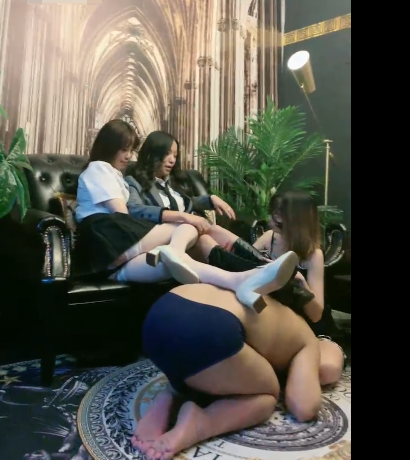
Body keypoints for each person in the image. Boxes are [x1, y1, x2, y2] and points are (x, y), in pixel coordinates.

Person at [75, 120, 297, 313]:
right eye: (124, 149)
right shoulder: (100, 168)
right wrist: (184, 219)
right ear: (109, 147)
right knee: (189, 224)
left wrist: (206, 200)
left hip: (116, 266)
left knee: (178, 263)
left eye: (131, 150)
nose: (128, 156)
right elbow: (121, 213)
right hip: (108, 242)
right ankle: (257, 264)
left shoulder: (119, 176)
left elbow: (185, 201)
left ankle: (239, 282)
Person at [132, 282, 321, 460]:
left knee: (208, 365)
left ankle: (171, 393)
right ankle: (203, 421)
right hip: (208, 330)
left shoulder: (261, 296)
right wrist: (316, 351)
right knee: (268, 396)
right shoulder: (307, 337)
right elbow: (304, 408)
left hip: (161, 311)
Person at [124, 131, 271, 272]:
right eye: (167, 153)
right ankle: (258, 270)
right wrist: (184, 217)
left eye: (175, 155)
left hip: (190, 235)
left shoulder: (172, 182)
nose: (172, 160)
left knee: (211, 230)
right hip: (166, 239)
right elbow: (135, 209)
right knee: (204, 239)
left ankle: (263, 264)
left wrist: (211, 199)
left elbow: (188, 202)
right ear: (153, 153)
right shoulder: (134, 181)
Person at [254, 191, 346, 386]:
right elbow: (241, 266)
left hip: (310, 328)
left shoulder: (313, 255)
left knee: (326, 370)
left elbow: (316, 315)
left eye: (277, 213)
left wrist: (301, 284)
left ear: (294, 218)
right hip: (273, 321)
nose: (270, 218)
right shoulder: (268, 239)